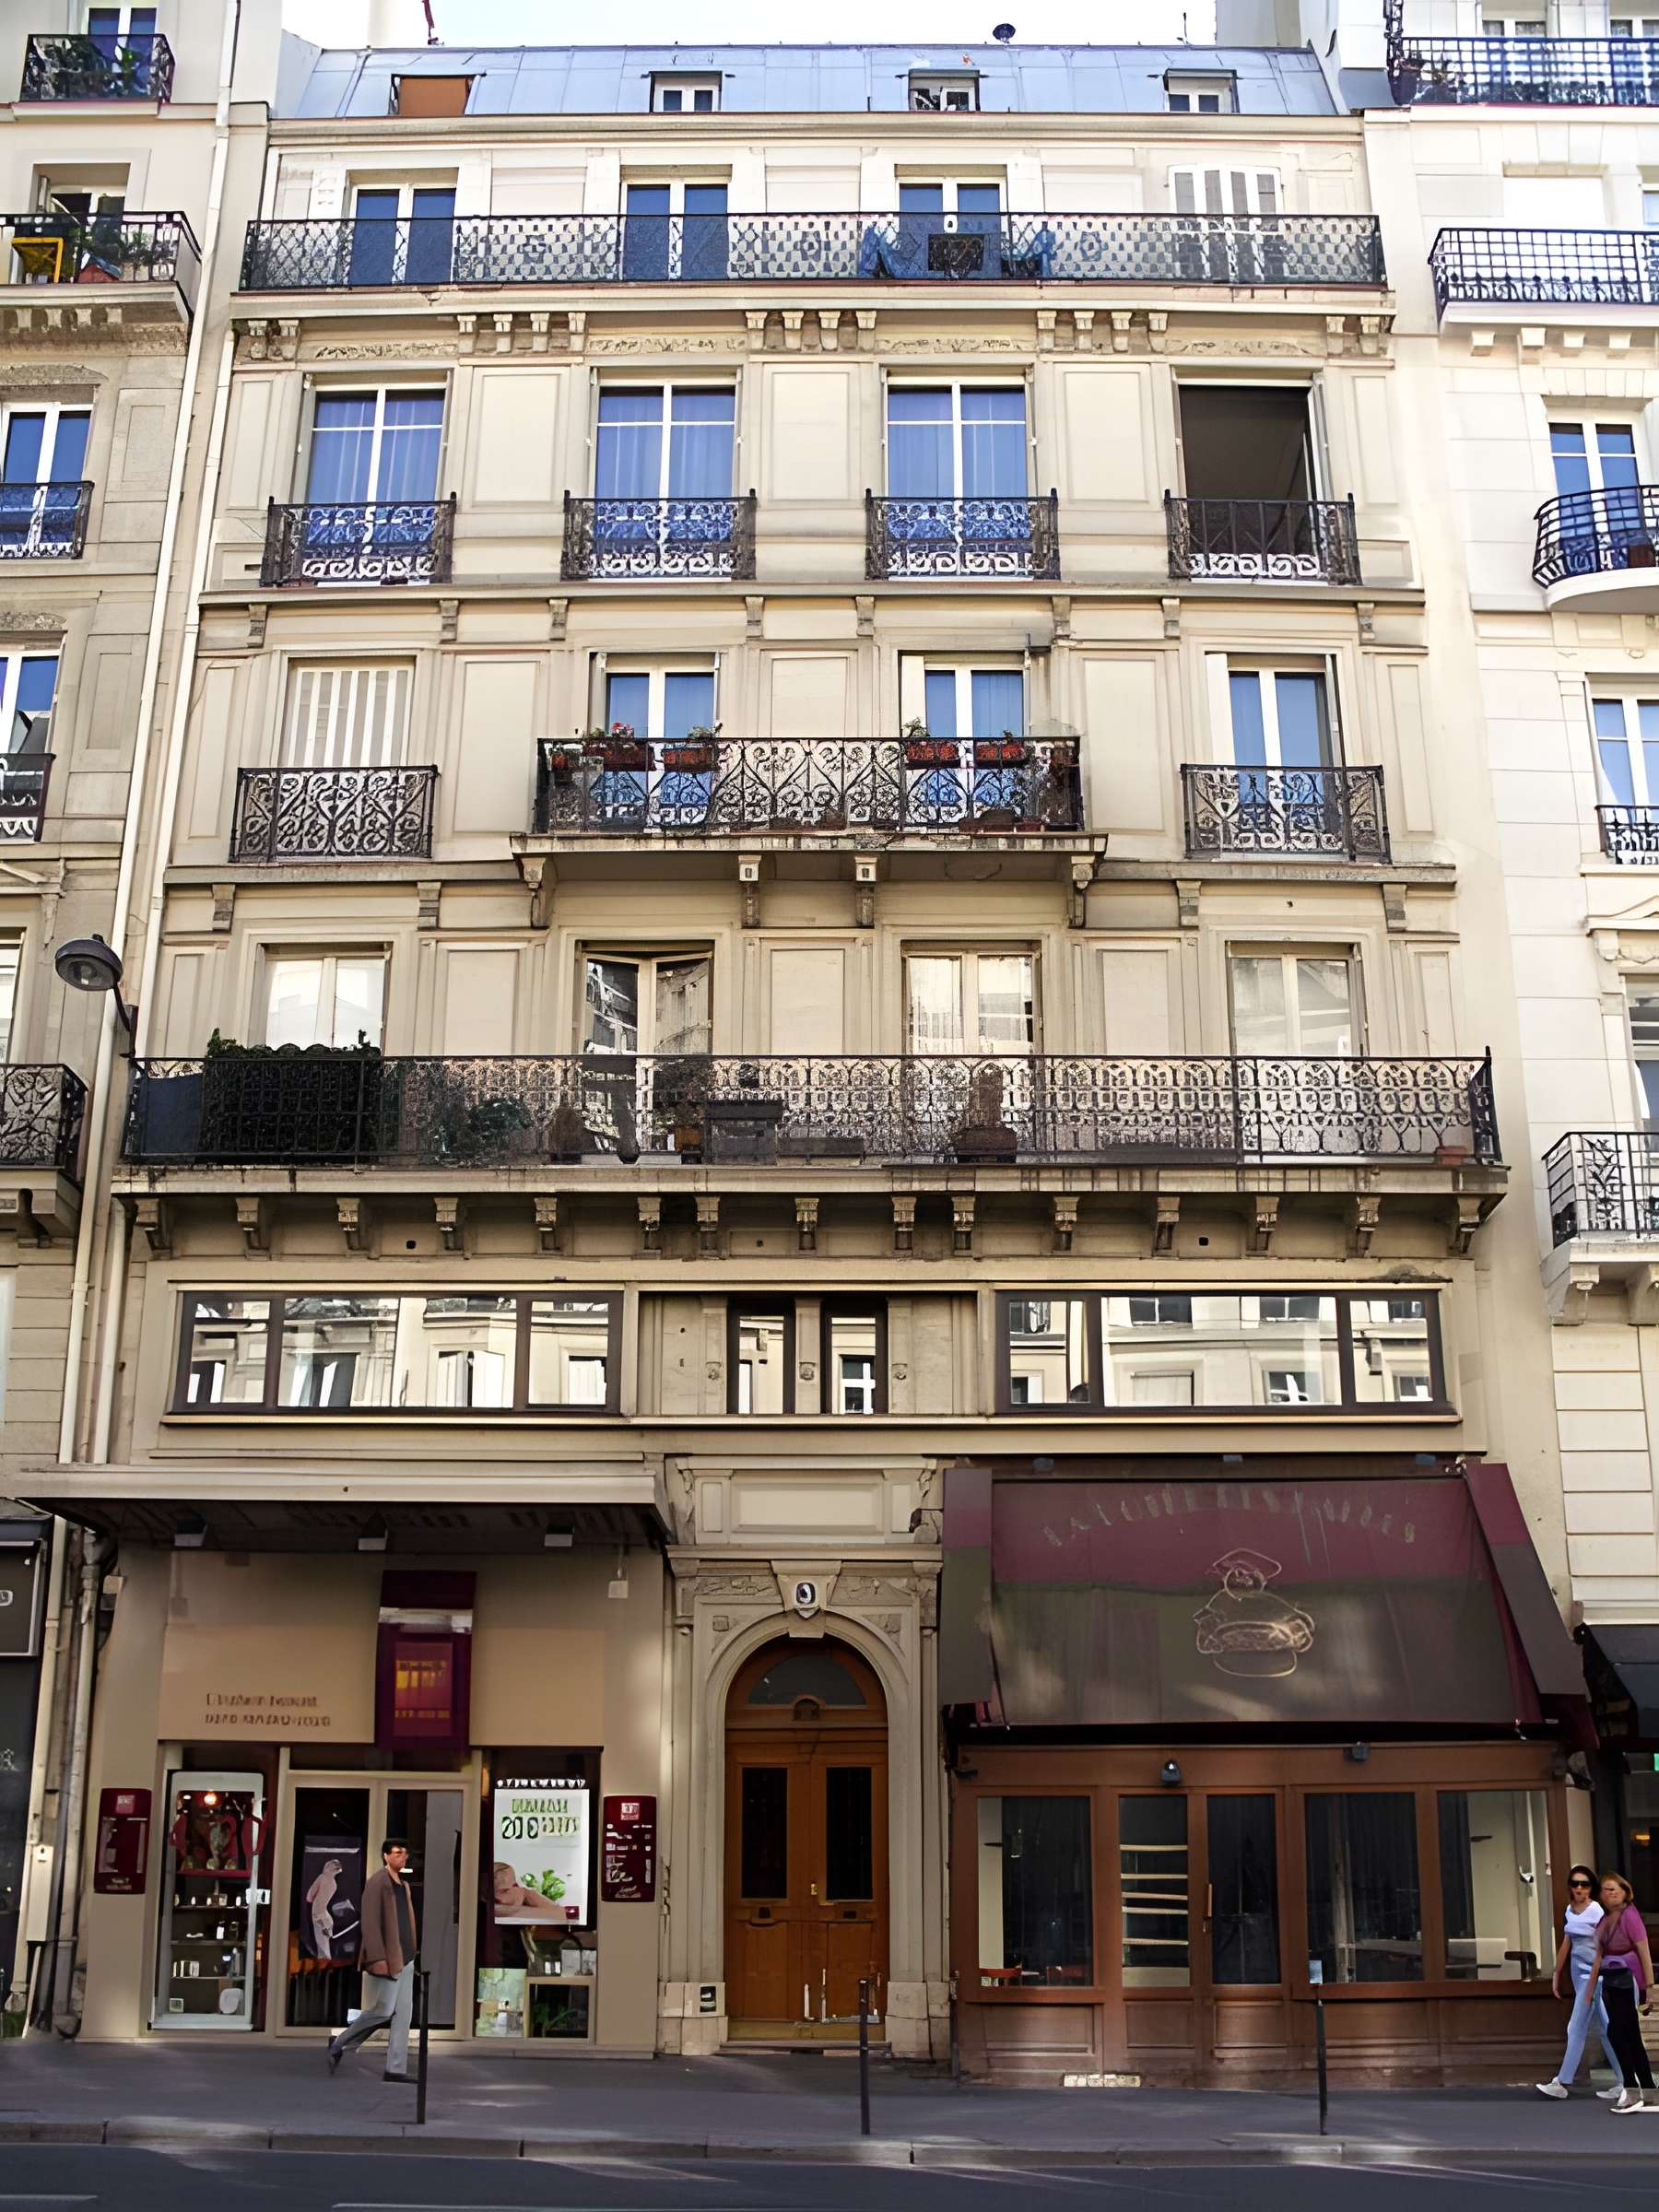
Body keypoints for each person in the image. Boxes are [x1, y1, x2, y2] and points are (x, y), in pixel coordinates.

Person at [326, 1838, 418, 2084]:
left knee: (403, 2014)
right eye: (398, 1853)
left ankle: (395, 2069)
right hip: (390, 1956)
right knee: (384, 2009)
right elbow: (370, 1923)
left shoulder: (404, 1886)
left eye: (405, 1853)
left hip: (407, 1956)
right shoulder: (378, 1882)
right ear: (386, 1855)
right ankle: (342, 2041)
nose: (402, 1857)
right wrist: (377, 1957)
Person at [1535, 1865, 1622, 2100]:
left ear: (1591, 1887)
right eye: (1576, 1884)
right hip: (1577, 1973)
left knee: (1575, 2027)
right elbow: (1567, 1943)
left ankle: (1562, 2081)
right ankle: (1626, 2081)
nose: (1580, 1889)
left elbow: (1605, 1945)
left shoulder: (1595, 1910)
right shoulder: (1570, 1910)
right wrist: (1556, 1974)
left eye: (1585, 1884)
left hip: (1593, 1976)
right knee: (1606, 2029)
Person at [1582, 1871, 1657, 2113]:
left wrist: (1651, 1988)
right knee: (1619, 2033)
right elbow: (1598, 1956)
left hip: (1627, 1978)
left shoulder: (1630, 1917)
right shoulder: (1606, 1919)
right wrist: (1590, 1989)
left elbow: (1644, 1952)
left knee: (1625, 2032)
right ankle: (1640, 2089)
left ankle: (1640, 2089)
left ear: (1625, 1892)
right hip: (1610, 1980)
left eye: (1614, 1889)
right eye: (1605, 1889)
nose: (1609, 1893)